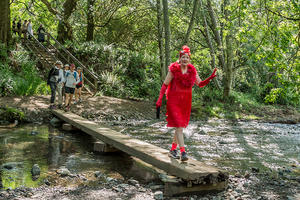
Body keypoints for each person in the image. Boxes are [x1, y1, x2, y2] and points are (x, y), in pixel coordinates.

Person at [156, 46, 217, 162]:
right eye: (183, 57)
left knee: (180, 126)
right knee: (179, 126)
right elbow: (165, 85)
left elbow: (200, 84)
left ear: (189, 59)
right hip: (174, 101)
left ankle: (173, 150)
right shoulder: (173, 69)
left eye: (187, 57)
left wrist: (210, 78)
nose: (185, 59)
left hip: (185, 103)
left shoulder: (192, 70)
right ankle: (183, 151)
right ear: (180, 59)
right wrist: (159, 99)